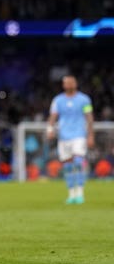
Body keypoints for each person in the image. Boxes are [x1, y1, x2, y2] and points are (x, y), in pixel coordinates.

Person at [46, 75, 94, 204]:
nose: (69, 84)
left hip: (79, 135)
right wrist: (49, 130)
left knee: (78, 163)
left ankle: (80, 193)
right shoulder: (57, 100)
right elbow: (53, 116)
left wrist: (90, 135)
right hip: (63, 136)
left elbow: (89, 117)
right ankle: (71, 194)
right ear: (63, 85)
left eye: (71, 82)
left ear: (76, 83)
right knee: (67, 167)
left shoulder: (84, 99)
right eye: (66, 82)